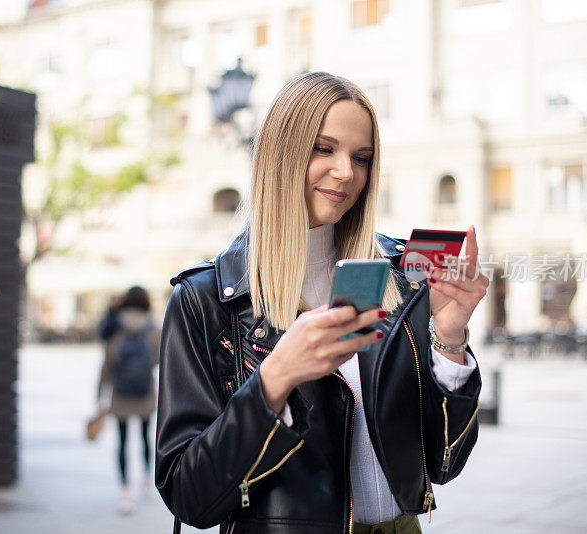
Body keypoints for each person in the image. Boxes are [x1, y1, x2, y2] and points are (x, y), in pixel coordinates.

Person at [156, 72, 488, 534]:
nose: (346, 172)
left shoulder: (401, 273)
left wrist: (449, 340)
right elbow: (189, 497)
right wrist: (275, 378)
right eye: (323, 148)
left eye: (362, 156)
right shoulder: (205, 299)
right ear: (280, 153)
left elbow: (443, 465)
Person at [97, 286, 160, 515]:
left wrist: (99, 396)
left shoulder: (116, 330)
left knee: (122, 443)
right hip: (145, 394)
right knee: (145, 437)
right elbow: (158, 359)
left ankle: (125, 492)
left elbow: (107, 365)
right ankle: (145, 477)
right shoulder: (152, 329)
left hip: (120, 395)